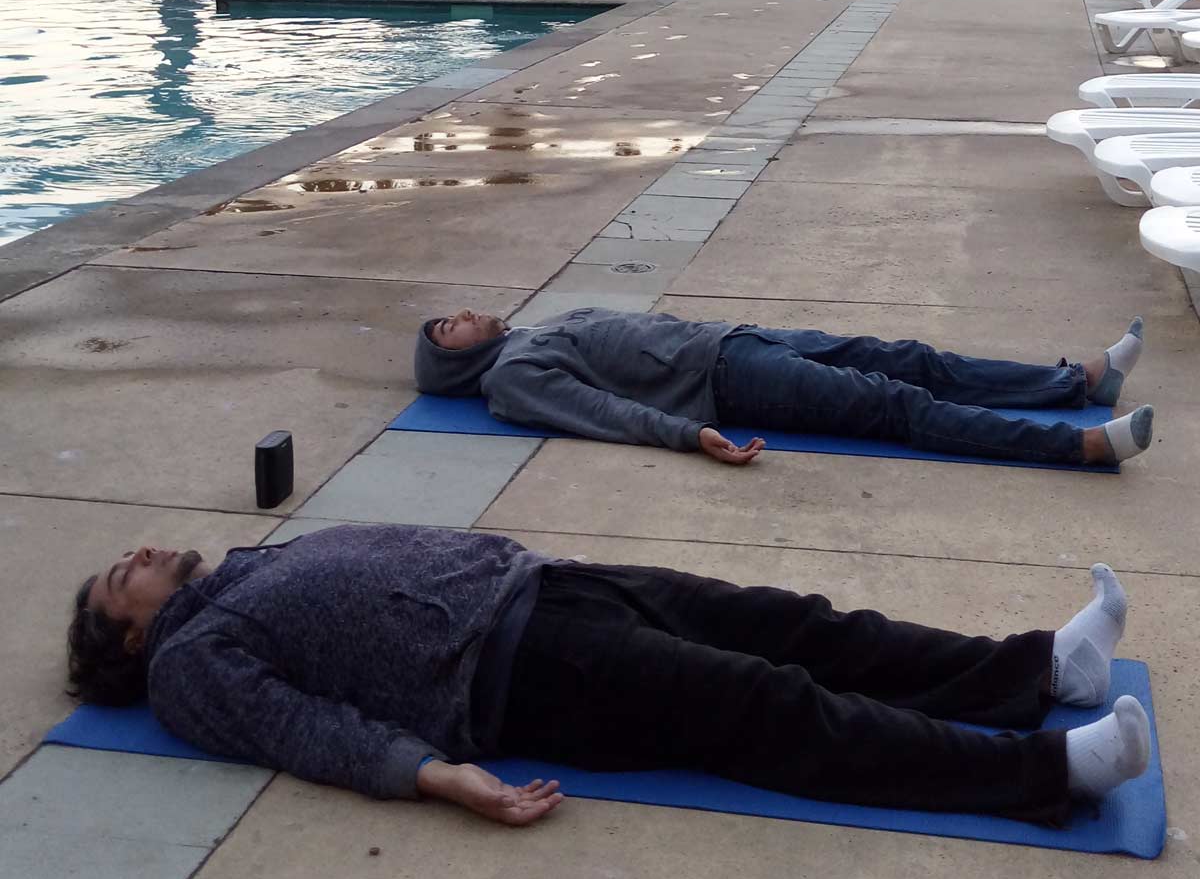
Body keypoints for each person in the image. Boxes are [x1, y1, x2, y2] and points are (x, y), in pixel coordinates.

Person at [66, 524, 1150, 828]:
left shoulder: (236, 571)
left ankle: (1041, 669)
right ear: (131, 641)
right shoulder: (190, 664)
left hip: (551, 588)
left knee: (801, 625)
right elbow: (301, 727)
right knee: (773, 706)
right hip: (520, 671)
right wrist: (434, 777)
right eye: (126, 576)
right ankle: (1047, 772)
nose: (144, 552)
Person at [413, 308, 1153, 467]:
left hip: (735, 340)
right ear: (453, 363)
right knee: (894, 404)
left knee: (908, 357)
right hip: (726, 379)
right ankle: (1080, 446)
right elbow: (599, 411)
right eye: (450, 326)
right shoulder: (511, 376)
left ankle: (1075, 382)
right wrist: (688, 435)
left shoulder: (529, 331)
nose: (465, 314)